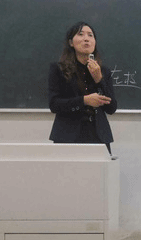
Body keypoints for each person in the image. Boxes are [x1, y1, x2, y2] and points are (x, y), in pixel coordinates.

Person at [48, 21, 117, 153]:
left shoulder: (103, 71)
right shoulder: (59, 69)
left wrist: (99, 80)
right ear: (71, 42)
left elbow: (111, 108)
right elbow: (54, 104)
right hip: (67, 135)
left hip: (98, 136)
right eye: (81, 34)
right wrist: (84, 101)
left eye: (90, 35)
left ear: (94, 42)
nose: (86, 39)